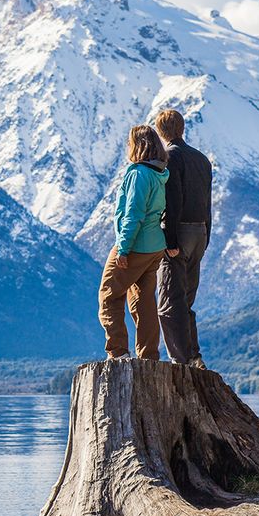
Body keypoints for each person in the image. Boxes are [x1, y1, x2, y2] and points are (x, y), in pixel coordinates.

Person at [98, 125, 169, 360]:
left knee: (108, 295)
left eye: (130, 143)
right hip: (155, 246)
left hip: (135, 245)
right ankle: (148, 355)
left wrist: (123, 248)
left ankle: (118, 353)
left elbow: (133, 214)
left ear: (137, 146)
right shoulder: (160, 173)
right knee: (143, 300)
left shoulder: (139, 174)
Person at [153, 109, 213, 368]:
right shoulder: (202, 160)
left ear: (161, 132)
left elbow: (173, 199)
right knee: (186, 299)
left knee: (168, 300)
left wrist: (170, 240)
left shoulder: (169, 157)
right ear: (182, 128)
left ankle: (181, 361)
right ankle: (194, 355)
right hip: (200, 232)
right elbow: (208, 202)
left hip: (179, 232)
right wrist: (205, 236)